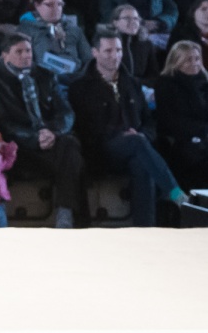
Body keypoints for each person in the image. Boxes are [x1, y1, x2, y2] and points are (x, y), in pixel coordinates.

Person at [69, 29, 189, 226]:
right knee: (136, 143)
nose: (115, 55)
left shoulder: (131, 83)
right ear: (95, 52)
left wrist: (142, 135)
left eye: (118, 50)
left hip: (136, 148)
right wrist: (123, 135)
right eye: (108, 51)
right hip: (101, 150)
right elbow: (84, 127)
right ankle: (174, 192)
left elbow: (149, 121)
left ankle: (145, 230)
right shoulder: (80, 86)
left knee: (142, 163)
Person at [0, 35, 85, 228]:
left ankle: (65, 213)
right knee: (71, 155)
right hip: (20, 146)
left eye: (28, 51)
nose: (26, 56)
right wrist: (34, 137)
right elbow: (4, 123)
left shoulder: (46, 75)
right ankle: (71, 216)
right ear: (5, 55)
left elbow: (65, 112)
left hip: (50, 139)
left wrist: (52, 132)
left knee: (70, 146)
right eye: (19, 52)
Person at [154, 42, 208, 188]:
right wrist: (201, 131)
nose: (195, 63)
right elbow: (170, 120)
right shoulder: (166, 83)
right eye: (188, 60)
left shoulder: (204, 82)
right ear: (176, 62)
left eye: (197, 59)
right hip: (179, 139)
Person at [17, 0, 90, 87]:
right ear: (37, 5)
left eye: (59, 4)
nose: (56, 9)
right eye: (49, 5)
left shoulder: (73, 28)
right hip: (44, 83)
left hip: (77, 81)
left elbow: (88, 58)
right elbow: (24, 62)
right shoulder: (26, 29)